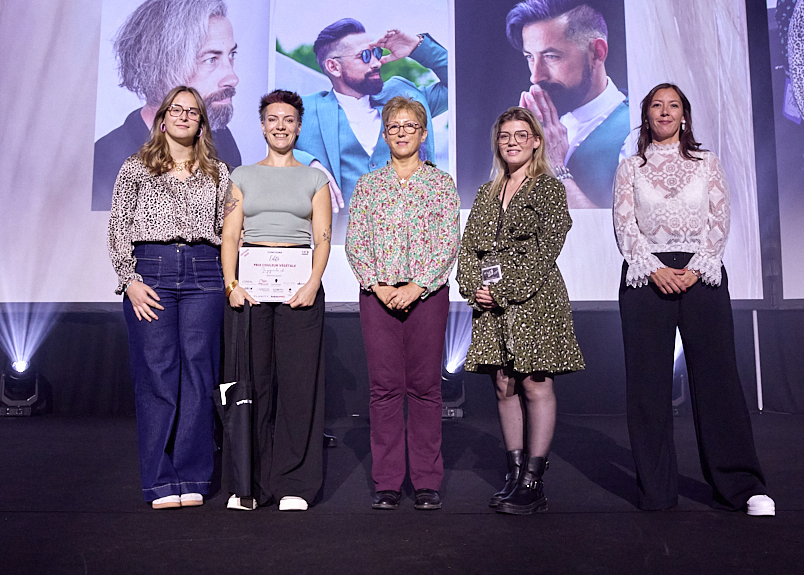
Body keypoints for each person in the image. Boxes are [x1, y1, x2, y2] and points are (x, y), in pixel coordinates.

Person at [613, 83, 775, 516]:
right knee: (647, 387)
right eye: (656, 106)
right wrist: (655, 269)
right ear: (646, 115)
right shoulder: (630, 167)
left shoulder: (708, 163)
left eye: (674, 105)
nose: (665, 112)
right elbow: (624, 226)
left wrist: (698, 266)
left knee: (718, 381)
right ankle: (657, 491)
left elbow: (719, 221)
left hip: (702, 277)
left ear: (684, 115)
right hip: (647, 279)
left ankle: (741, 486)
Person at [457, 106, 585, 515]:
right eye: (505, 135)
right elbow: (469, 247)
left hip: (535, 299)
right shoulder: (486, 192)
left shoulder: (548, 188)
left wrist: (506, 289)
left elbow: (548, 248)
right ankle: (513, 475)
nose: (512, 141)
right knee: (504, 384)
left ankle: (533, 481)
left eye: (520, 134)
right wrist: (473, 286)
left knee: (534, 383)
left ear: (535, 141)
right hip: (491, 305)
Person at [107, 85, 229, 509]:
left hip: (204, 272)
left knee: (199, 375)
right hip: (151, 270)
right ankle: (160, 481)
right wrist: (129, 279)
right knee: (156, 376)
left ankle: (193, 476)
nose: (182, 116)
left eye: (192, 112)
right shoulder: (136, 166)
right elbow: (119, 225)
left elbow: (228, 233)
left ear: (201, 123)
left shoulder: (217, 171)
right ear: (162, 119)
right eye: (175, 110)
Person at [345, 96, 459, 511]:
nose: (401, 132)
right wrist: (377, 285)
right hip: (378, 297)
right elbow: (356, 241)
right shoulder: (369, 185)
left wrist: (417, 286)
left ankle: (427, 481)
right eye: (393, 126)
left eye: (409, 126)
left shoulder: (441, 184)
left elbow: (449, 241)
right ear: (385, 132)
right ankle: (388, 481)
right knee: (385, 389)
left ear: (424, 133)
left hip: (426, 296)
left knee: (425, 388)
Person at [222, 89, 332, 512]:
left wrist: (312, 282)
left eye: (288, 119)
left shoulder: (314, 178)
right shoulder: (242, 176)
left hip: (299, 288)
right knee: (253, 384)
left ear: (299, 126)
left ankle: (294, 484)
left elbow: (321, 238)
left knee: (299, 386)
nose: (281, 125)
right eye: (273, 118)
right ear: (263, 124)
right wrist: (231, 284)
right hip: (249, 290)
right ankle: (249, 484)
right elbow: (231, 235)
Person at [294, 18, 448, 240]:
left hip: (410, 249)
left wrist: (416, 46)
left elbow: (461, 82)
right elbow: (274, 153)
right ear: (333, 67)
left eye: (376, 53)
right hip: (337, 252)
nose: (376, 63)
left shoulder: (407, 99)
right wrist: (310, 165)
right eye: (365, 56)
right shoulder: (305, 110)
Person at [93, 0, 241, 210]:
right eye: (211, 59)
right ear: (163, 65)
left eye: (231, 56)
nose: (232, 77)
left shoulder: (222, 140)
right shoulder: (106, 161)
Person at [506, 0, 630, 209]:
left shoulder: (638, 131)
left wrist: (554, 166)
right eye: (529, 57)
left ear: (597, 52)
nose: (536, 76)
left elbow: (618, 239)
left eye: (551, 56)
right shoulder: (530, 126)